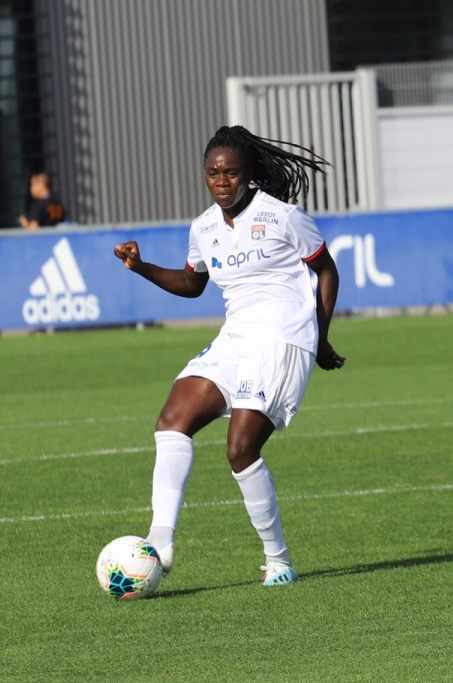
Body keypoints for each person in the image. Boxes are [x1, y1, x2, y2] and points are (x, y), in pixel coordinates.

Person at [113, 125, 345, 586]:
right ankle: (160, 539)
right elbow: (191, 284)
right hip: (235, 337)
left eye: (231, 173)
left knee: (240, 449)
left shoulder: (282, 216)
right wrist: (140, 267)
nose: (221, 181)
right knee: (172, 419)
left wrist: (319, 336)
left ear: (248, 173)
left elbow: (326, 270)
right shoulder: (203, 228)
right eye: (213, 173)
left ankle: (277, 559)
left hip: (282, 339)